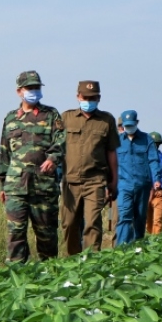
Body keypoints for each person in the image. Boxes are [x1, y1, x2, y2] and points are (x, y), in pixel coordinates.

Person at [0, 71, 65, 263]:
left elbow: (61, 141)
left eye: (37, 87)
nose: (34, 91)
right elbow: (4, 154)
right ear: (20, 91)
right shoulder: (10, 119)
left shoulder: (51, 115)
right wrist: (2, 185)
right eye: (30, 88)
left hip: (43, 186)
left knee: (46, 236)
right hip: (15, 187)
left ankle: (50, 278)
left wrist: (53, 158)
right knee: (15, 234)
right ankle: (17, 277)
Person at [60, 81, 120, 255]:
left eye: (93, 98)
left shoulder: (106, 120)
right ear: (78, 97)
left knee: (92, 223)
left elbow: (111, 153)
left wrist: (114, 182)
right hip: (70, 181)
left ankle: (91, 263)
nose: (89, 100)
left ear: (99, 98)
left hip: (95, 181)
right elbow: (55, 148)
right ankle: (73, 260)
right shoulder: (66, 118)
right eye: (85, 97)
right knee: (69, 224)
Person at [114, 110, 162, 245]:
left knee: (140, 217)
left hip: (142, 185)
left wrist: (156, 178)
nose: (129, 128)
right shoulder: (117, 142)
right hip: (123, 185)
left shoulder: (147, 140)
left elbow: (153, 160)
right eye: (126, 126)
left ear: (137, 123)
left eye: (131, 125)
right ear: (123, 125)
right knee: (124, 216)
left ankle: (137, 246)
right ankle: (121, 249)